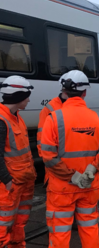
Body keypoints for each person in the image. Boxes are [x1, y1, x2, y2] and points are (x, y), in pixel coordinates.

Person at [40, 70, 99, 248]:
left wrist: (72, 177)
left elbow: (48, 156)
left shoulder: (53, 118)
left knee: (60, 232)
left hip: (61, 188)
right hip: (89, 185)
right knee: (89, 227)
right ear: (85, 92)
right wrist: (91, 170)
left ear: (64, 91)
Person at [0, 75, 36, 248]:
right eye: (27, 96)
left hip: (23, 181)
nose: (28, 100)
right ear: (18, 96)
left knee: (19, 222)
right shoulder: (2, 120)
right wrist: (6, 180)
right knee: (3, 226)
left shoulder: (16, 117)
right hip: (10, 186)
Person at [37, 73, 69, 185]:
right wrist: (50, 160)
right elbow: (42, 139)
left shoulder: (79, 107)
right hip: (57, 165)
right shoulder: (50, 108)